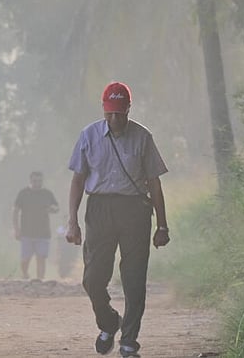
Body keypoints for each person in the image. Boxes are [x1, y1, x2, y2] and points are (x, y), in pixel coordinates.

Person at [66, 81, 170, 357]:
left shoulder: (143, 137)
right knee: (92, 278)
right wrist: (72, 221)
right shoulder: (88, 136)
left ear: (128, 109)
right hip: (99, 210)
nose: (115, 119)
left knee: (134, 279)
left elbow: (154, 183)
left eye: (120, 113)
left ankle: (129, 341)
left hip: (135, 211)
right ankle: (109, 322)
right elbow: (78, 180)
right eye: (110, 113)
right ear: (103, 109)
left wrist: (162, 225)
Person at [12, 171, 59, 280]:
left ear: (42, 181)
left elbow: (56, 207)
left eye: (39, 181)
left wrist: (52, 209)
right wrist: (16, 229)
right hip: (26, 232)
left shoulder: (47, 194)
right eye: (35, 181)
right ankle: (25, 274)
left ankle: (40, 280)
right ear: (30, 181)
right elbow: (15, 211)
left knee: (41, 257)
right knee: (25, 258)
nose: (37, 183)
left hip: (43, 232)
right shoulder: (23, 193)